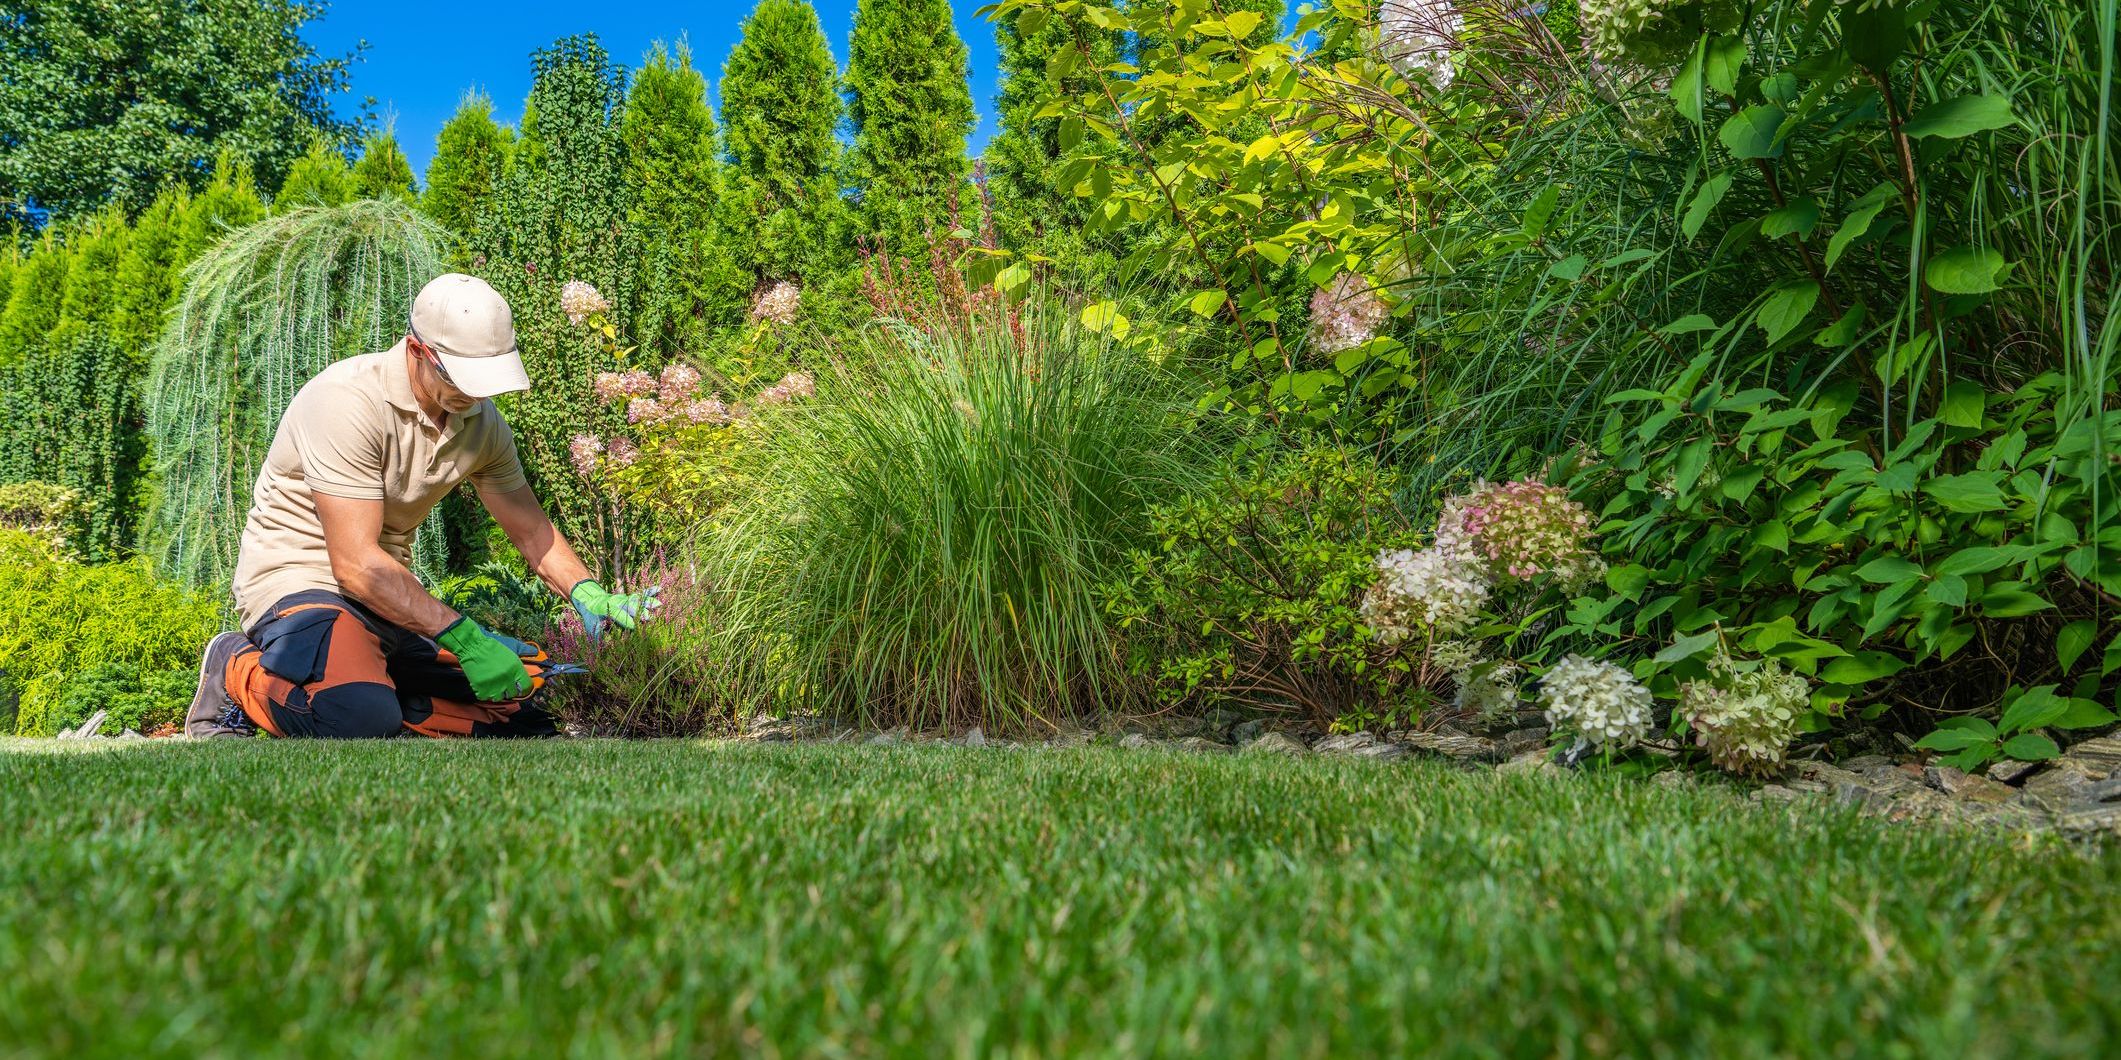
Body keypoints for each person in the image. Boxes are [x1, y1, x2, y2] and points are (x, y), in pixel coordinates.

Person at [184, 273, 658, 738]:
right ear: (417, 351)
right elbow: (354, 566)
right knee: (354, 717)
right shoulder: (346, 400)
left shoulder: (481, 424)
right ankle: (235, 666)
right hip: (301, 583)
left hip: (385, 601)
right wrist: (465, 638)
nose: (477, 394)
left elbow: (532, 532)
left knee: (522, 706)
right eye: (465, 378)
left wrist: (588, 594)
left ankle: (378, 689)